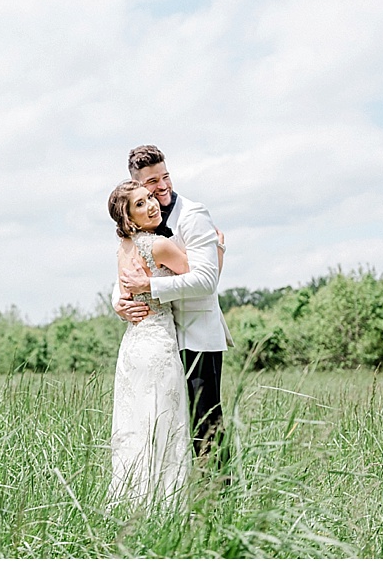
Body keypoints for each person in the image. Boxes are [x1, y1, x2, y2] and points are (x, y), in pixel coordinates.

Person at [114, 145, 233, 461]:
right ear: (138, 184)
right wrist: (118, 301)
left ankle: (217, 501)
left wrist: (150, 287)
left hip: (197, 335)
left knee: (204, 424)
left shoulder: (193, 215)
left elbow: (206, 281)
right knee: (161, 423)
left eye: (166, 176)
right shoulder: (137, 222)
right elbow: (129, 267)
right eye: (152, 182)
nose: (162, 187)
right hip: (158, 339)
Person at [106, 179, 192, 506]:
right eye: (139, 204)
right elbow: (198, 276)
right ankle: (166, 505)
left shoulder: (123, 249)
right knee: (165, 423)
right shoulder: (157, 245)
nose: (151, 205)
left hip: (132, 346)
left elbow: (123, 291)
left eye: (149, 198)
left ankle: (134, 500)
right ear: (128, 218)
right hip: (157, 344)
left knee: (137, 426)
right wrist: (220, 248)